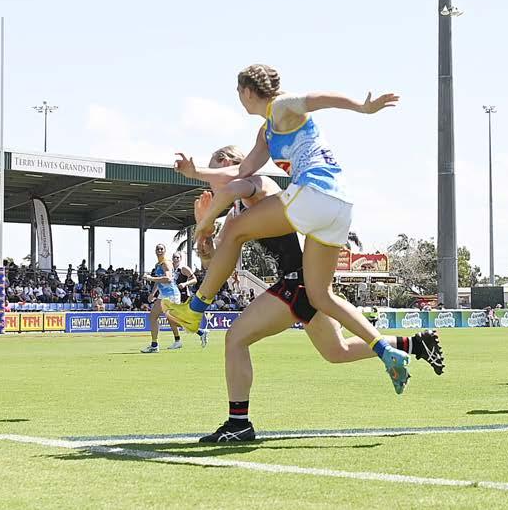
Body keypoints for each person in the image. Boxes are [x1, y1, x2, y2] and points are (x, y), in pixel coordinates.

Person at [164, 64, 410, 393]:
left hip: (315, 192)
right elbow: (242, 169)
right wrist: (197, 173)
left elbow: (318, 98)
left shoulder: (280, 105)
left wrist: (361, 108)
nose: (238, 98)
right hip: (339, 206)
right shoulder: (266, 131)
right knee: (321, 296)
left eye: (238, 92)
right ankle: (384, 349)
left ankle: (195, 309)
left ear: (247, 91)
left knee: (235, 229)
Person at [191, 145, 445, 443]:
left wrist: (210, 214)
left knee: (236, 338)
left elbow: (238, 186)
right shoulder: (235, 215)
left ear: (227, 164)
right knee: (337, 352)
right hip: (304, 282)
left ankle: (238, 424)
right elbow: (217, 263)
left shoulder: (257, 184)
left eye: (214, 173)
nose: (211, 183)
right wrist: (204, 240)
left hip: (297, 282)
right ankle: (416, 344)